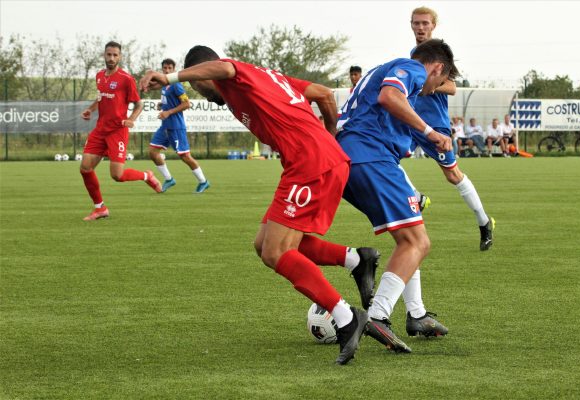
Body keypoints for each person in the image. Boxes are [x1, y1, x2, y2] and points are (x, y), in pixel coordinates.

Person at [140, 45, 379, 365]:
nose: (199, 91)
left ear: (204, 72)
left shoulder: (235, 75)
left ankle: (347, 317)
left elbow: (225, 69)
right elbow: (323, 94)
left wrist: (170, 78)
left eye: (197, 85)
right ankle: (356, 259)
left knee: (275, 251)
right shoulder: (270, 79)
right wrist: (330, 138)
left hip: (311, 163)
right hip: (308, 161)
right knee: (263, 243)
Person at [336, 38, 457, 353]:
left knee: (409, 239)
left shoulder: (385, 73)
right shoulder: (412, 68)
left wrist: (435, 140)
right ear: (437, 68)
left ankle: (414, 312)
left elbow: (397, 114)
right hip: (371, 157)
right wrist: (432, 132)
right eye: (439, 83)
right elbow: (390, 96)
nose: (433, 90)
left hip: (351, 161)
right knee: (419, 242)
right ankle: (377, 315)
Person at [409, 6, 494, 253]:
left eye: (425, 23)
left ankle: (484, 221)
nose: (420, 27)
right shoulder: (413, 53)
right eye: (416, 23)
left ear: (433, 25)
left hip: (435, 126)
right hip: (413, 122)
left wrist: (428, 86)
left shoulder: (439, 53)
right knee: (386, 157)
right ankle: (416, 196)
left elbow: (453, 87)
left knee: (453, 175)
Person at [79, 41, 161, 221]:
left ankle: (147, 175)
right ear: (104, 55)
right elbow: (101, 97)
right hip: (100, 130)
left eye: (115, 55)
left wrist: (131, 119)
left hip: (117, 131)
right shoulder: (100, 75)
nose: (111, 58)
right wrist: (90, 110)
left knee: (117, 175)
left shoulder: (126, 79)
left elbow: (139, 104)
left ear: (120, 57)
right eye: (109, 54)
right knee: (85, 168)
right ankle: (100, 208)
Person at [149, 58, 210, 193]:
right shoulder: (165, 85)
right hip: (165, 126)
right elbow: (171, 101)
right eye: (165, 68)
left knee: (185, 156)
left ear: (174, 69)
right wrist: (162, 105)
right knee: (153, 152)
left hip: (176, 126)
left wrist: (168, 112)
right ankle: (169, 179)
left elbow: (187, 104)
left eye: (170, 68)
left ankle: (203, 181)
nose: (167, 70)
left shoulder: (176, 84)